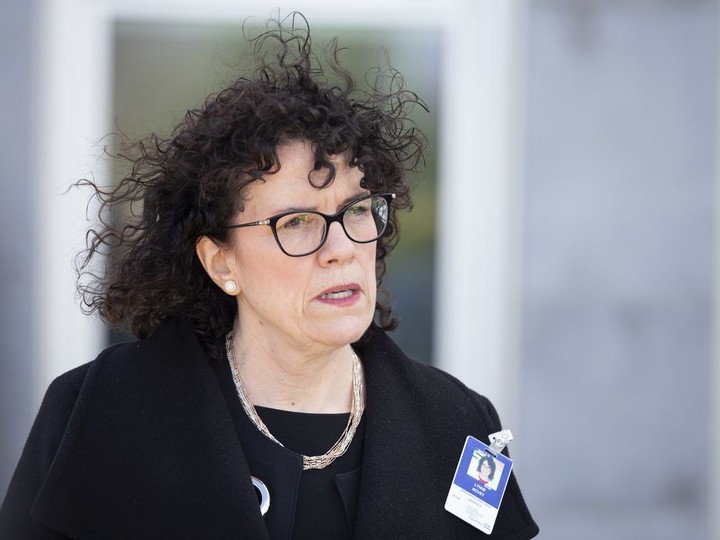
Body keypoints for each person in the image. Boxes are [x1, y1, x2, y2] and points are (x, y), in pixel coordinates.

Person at [0, 13, 539, 539]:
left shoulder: (459, 425)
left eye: (356, 210)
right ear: (221, 262)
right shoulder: (98, 411)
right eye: (297, 222)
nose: (341, 249)